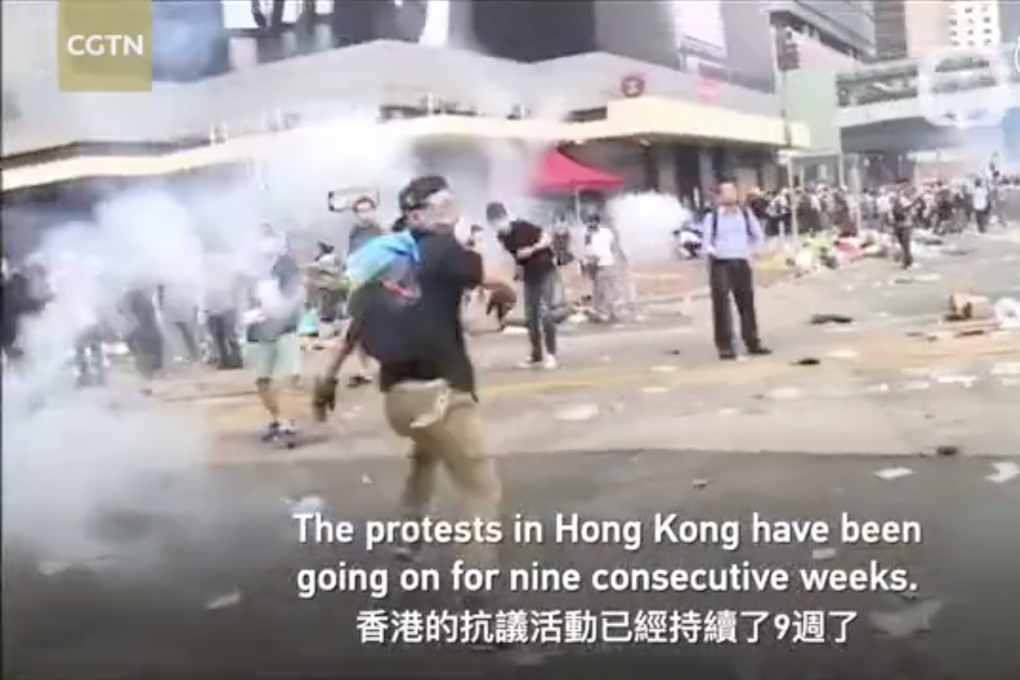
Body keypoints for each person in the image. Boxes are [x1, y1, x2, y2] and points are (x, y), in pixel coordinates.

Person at [315, 175, 515, 604]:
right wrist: (507, 297)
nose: (450, 209)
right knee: (480, 487)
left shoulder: (383, 263)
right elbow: (500, 279)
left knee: (427, 451)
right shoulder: (445, 250)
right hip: (441, 391)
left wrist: (327, 378)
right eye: (442, 203)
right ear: (420, 214)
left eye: (450, 200)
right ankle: (476, 591)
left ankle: (409, 534)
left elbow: (353, 330)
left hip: (398, 400)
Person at [702, 179, 772, 361]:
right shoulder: (713, 217)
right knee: (721, 306)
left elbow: (757, 235)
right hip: (721, 263)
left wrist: (752, 251)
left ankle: (752, 341)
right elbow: (706, 243)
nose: (730, 195)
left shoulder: (745, 214)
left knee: (746, 304)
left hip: (741, 262)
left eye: (733, 191)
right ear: (719, 196)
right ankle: (725, 345)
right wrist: (714, 253)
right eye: (726, 192)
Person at [247, 233, 304, 443]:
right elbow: (248, 298)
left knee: (283, 381)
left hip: (285, 330)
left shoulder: (286, 266)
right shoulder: (252, 269)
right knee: (263, 383)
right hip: (261, 332)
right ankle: (278, 418)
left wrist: (278, 311)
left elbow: (296, 296)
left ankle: (288, 424)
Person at [487, 201, 559, 369]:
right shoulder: (502, 237)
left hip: (546, 271)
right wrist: (518, 270)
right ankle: (536, 354)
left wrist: (532, 249)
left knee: (545, 312)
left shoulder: (522, 226)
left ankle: (551, 354)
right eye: (494, 221)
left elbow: (547, 237)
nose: (498, 223)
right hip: (530, 275)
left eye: (499, 219)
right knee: (530, 316)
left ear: (505, 216)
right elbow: (516, 256)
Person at [345, 195, 384, 387]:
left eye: (368, 209)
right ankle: (366, 369)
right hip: (360, 285)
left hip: (379, 284)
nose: (364, 214)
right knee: (358, 330)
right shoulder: (354, 233)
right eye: (361, 210)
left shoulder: (379, 232)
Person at [582, 212, 618, 323]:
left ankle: (609, 314)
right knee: (597, 291)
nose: (590, 224)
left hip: (606, 265)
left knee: (606, 291)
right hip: (595, 266)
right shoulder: (587, 235)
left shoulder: (606, 233)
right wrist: (587, 264)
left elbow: (612, 247)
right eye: (589, 222)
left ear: (598, 222)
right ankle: (602, 313)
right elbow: (588, 250)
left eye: (592, 222)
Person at [891, 179, 915, 269]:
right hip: (898, 224)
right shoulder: (895, 199)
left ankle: (907, 262)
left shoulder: (905, 198)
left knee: (906, 244)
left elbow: (908, 207)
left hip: (906, 224)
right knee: (902, 243)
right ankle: (908, 259)